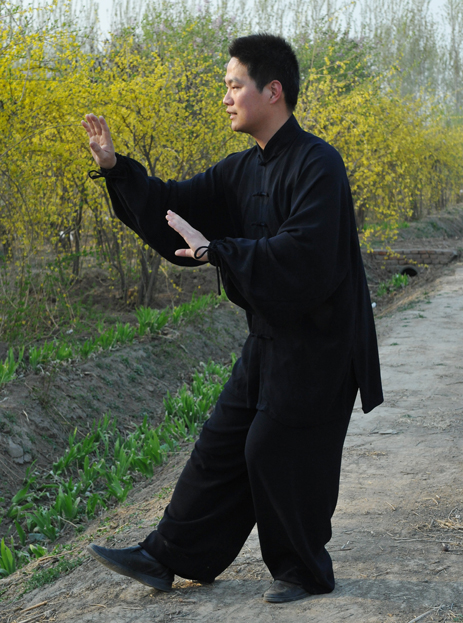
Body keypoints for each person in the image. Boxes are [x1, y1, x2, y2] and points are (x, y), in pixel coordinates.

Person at [82, 33, 383, 604]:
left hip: (322, 346)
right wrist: (117, 170)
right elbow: (176, 205)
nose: (225, 97)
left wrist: (219, 250)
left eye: (233, 85)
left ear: (272, 91)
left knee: (272, 445)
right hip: (270, 337)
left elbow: (305, 256)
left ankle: (304, 570)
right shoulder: (240, 170)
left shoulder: (318, 164)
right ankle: (167, 556)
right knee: (222, 440)